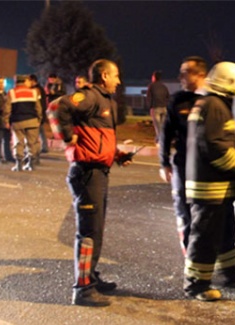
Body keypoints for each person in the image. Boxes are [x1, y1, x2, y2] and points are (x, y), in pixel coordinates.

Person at [56, 59, 133, 307]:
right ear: (103, 76)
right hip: (87, 173)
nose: (118, 81)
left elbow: (99, 136)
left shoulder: (106, 100)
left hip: (99, 172)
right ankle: (83, 289)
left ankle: (91, 275)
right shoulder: (89, 96)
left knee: (96, 230)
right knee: (89, 233)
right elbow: (58, 106)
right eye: (115, 76)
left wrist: (117, 154)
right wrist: (68, 136)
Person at [183, 61, 235, 301]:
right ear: (228, 87)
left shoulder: (209, 103)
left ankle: (231, 272)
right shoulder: (214, 105)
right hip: (210, 187)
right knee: (205, 237)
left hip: (216, 187)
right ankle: (196, 285)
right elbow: (215, 146)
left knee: (224, 232)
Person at [159, 56, 207, 254]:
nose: (180, 76)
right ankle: (190, 256)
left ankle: (208, 255)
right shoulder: (177, 101)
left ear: (200, 75)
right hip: (182, 164)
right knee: (184, 211)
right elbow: (166, 132)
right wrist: (164, 163)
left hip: (205, 167)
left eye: (185, 72)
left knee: (205, 213)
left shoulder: (212, 100)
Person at [4, 74, 42, 172]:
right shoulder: (34, 92)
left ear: (16, 82)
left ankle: (19, 165)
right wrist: (39, 119)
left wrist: (6, 121)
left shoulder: (12, 92)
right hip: (32, 121)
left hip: (18, 121)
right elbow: (38, 108)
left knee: (18, 143)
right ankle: (31, 164)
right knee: (32, 143)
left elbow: (7, 109)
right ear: (25, 82)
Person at [146, 70, 170, 144]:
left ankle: (161, 141)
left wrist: (149, 107)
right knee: (162, 126)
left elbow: (149, 97)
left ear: (154, 77)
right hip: (164, 107)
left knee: (158, 126)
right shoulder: (164, 86)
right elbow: (168, 96)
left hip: (155, 107)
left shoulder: (151, 86)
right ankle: (158, 139)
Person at [29, 74, 49, 155]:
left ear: (33, 81)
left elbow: (40, 103)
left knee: (37, 132)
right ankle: (44, 147)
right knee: (41, 131)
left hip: (37, 114)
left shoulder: (36, 90)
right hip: (40, 113)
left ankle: (39, 149)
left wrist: (39, 114)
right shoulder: (39, 89)